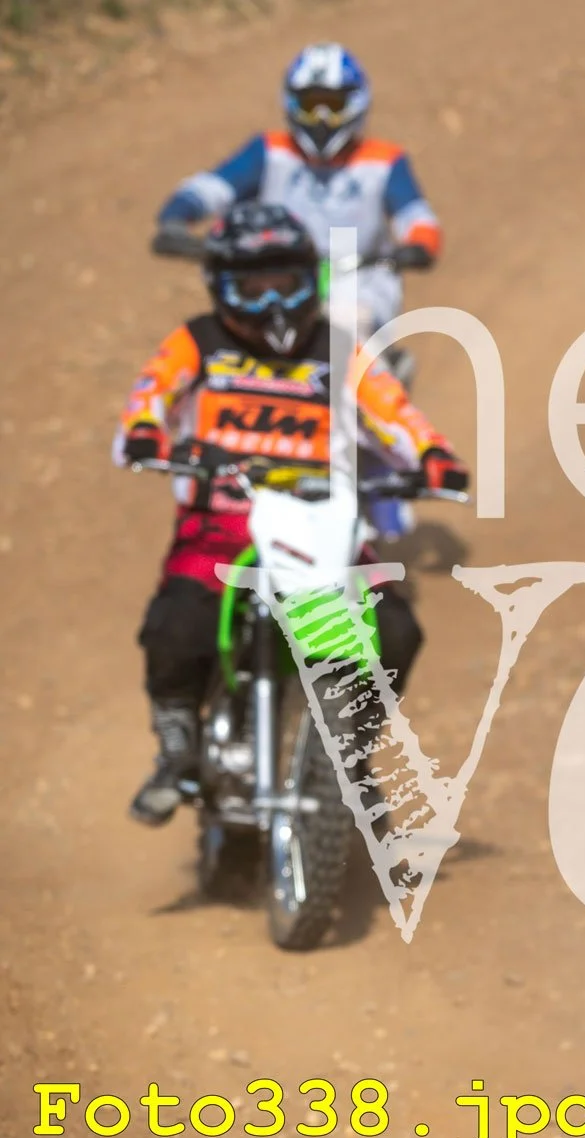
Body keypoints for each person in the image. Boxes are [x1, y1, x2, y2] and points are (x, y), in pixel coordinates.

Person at [116, 202, 468, 828]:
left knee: (394, 630)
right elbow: (151, 393)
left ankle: (352, 756)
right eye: (254, 287)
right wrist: (146, 433)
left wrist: (433, 456)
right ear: (222, 286)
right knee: (180, 620)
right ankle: (176, 746)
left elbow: (392, 410)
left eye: (287, 283)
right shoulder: (198, 341)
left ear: (312, 280)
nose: (273, 302)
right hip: (224, 522)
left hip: (323, 521)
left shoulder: (339, 349)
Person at [151, 41, 441, 539]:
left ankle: (375, 470)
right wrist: (179, 217)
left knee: (343, 335)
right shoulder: (269, 152)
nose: (321, 117)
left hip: (358, 280)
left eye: (332, 103)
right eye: (311, 104)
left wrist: (416, 245)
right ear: (291, 103)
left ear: (357, 103)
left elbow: (419, 218)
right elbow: (210, 187)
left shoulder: (384, 162)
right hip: (277, 278)